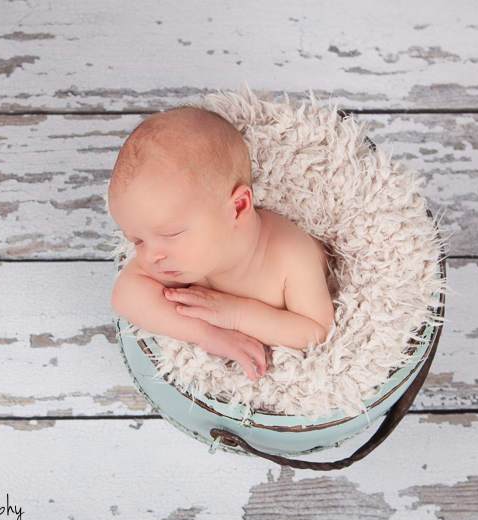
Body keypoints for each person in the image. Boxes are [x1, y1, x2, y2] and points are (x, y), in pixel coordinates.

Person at [108, 107, 335, 381]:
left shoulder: (291, 255)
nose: (152, 255)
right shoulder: (178, 259)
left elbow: (317, 331)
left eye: (171, 233)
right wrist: (205, 333)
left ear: (238, 208)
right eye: (137, 240)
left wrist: (235, 314)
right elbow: (125, 296)